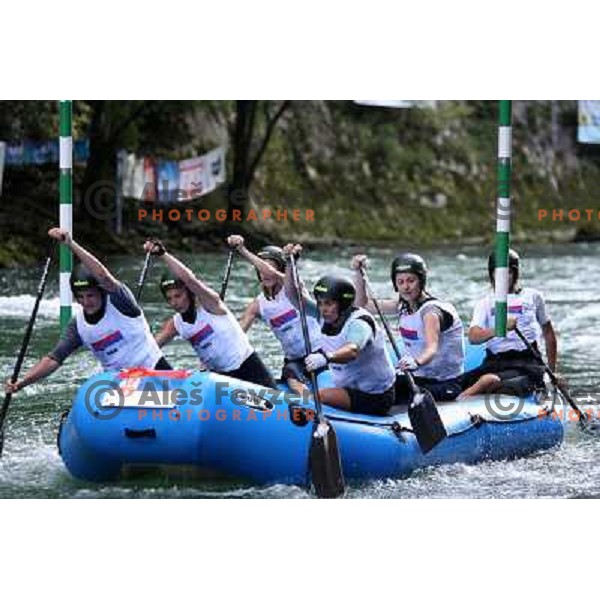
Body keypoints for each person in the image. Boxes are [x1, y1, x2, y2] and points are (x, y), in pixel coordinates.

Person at [4, 228, 170, 395]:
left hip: (155, 371)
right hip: (120, 384)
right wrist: (22, 382)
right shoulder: (78, 326)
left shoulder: (121, 302)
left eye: (90, 295)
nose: (85, 302)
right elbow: (54, 359)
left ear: (102, 291)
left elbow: (104, 276)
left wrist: (70, 244)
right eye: (80, 297)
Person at [146, 238, 276, 389]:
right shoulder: (176, 324)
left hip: (247, 367)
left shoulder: (211, 304)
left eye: (178, 296)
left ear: (189, 292)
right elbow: (150, 349)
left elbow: (189, 279)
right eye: (169, 299)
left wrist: (163, 254)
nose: (174, 303)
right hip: (218, 379)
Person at [353, 252, 465, 404]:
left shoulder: (431, 312)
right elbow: (362, 306)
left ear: (421, 281)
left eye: (411, 281)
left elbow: (431, 349)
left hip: (445, 384)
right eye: (400, 282)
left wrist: (416, 362)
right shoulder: (402, 306)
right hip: (417, 379)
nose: (406, 287)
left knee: (385, 397)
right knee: (371, 386)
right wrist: (359, 274)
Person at [228, 235, 324, 393]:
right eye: (260, 270)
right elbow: (237, 333)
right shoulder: (257, 305)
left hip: (320, 352)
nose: (264, 274)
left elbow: (271, 272)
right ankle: (307, 405)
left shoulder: (293, 287)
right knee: (292, 377)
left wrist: (242, 250)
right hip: (295, 361)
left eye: (269, 268)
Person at [459, 248, 557, 398]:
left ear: (515, 274)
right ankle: (477, 388)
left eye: (508, 273)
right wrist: (500, 328)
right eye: (498, 274)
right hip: (495, 362)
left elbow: (548, 333)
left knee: (505, 384)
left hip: (526, 363)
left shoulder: (533, 296)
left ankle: (472, 393)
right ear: (491, 274)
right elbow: (473, 337)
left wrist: (551, 373)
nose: (503, 279)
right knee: (458, 383)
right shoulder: (485, 303)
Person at [298, 270, 396, 416]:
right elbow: (295, 298)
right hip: (349, 386)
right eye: (320, 303)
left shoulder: (360, 323)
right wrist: (288, 263)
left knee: (320, 396)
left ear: (343, 304)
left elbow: (352, 350)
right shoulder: (326, 315)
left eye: (329, 304)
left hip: (375, 396)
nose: (323, 309)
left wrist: (326, 357)